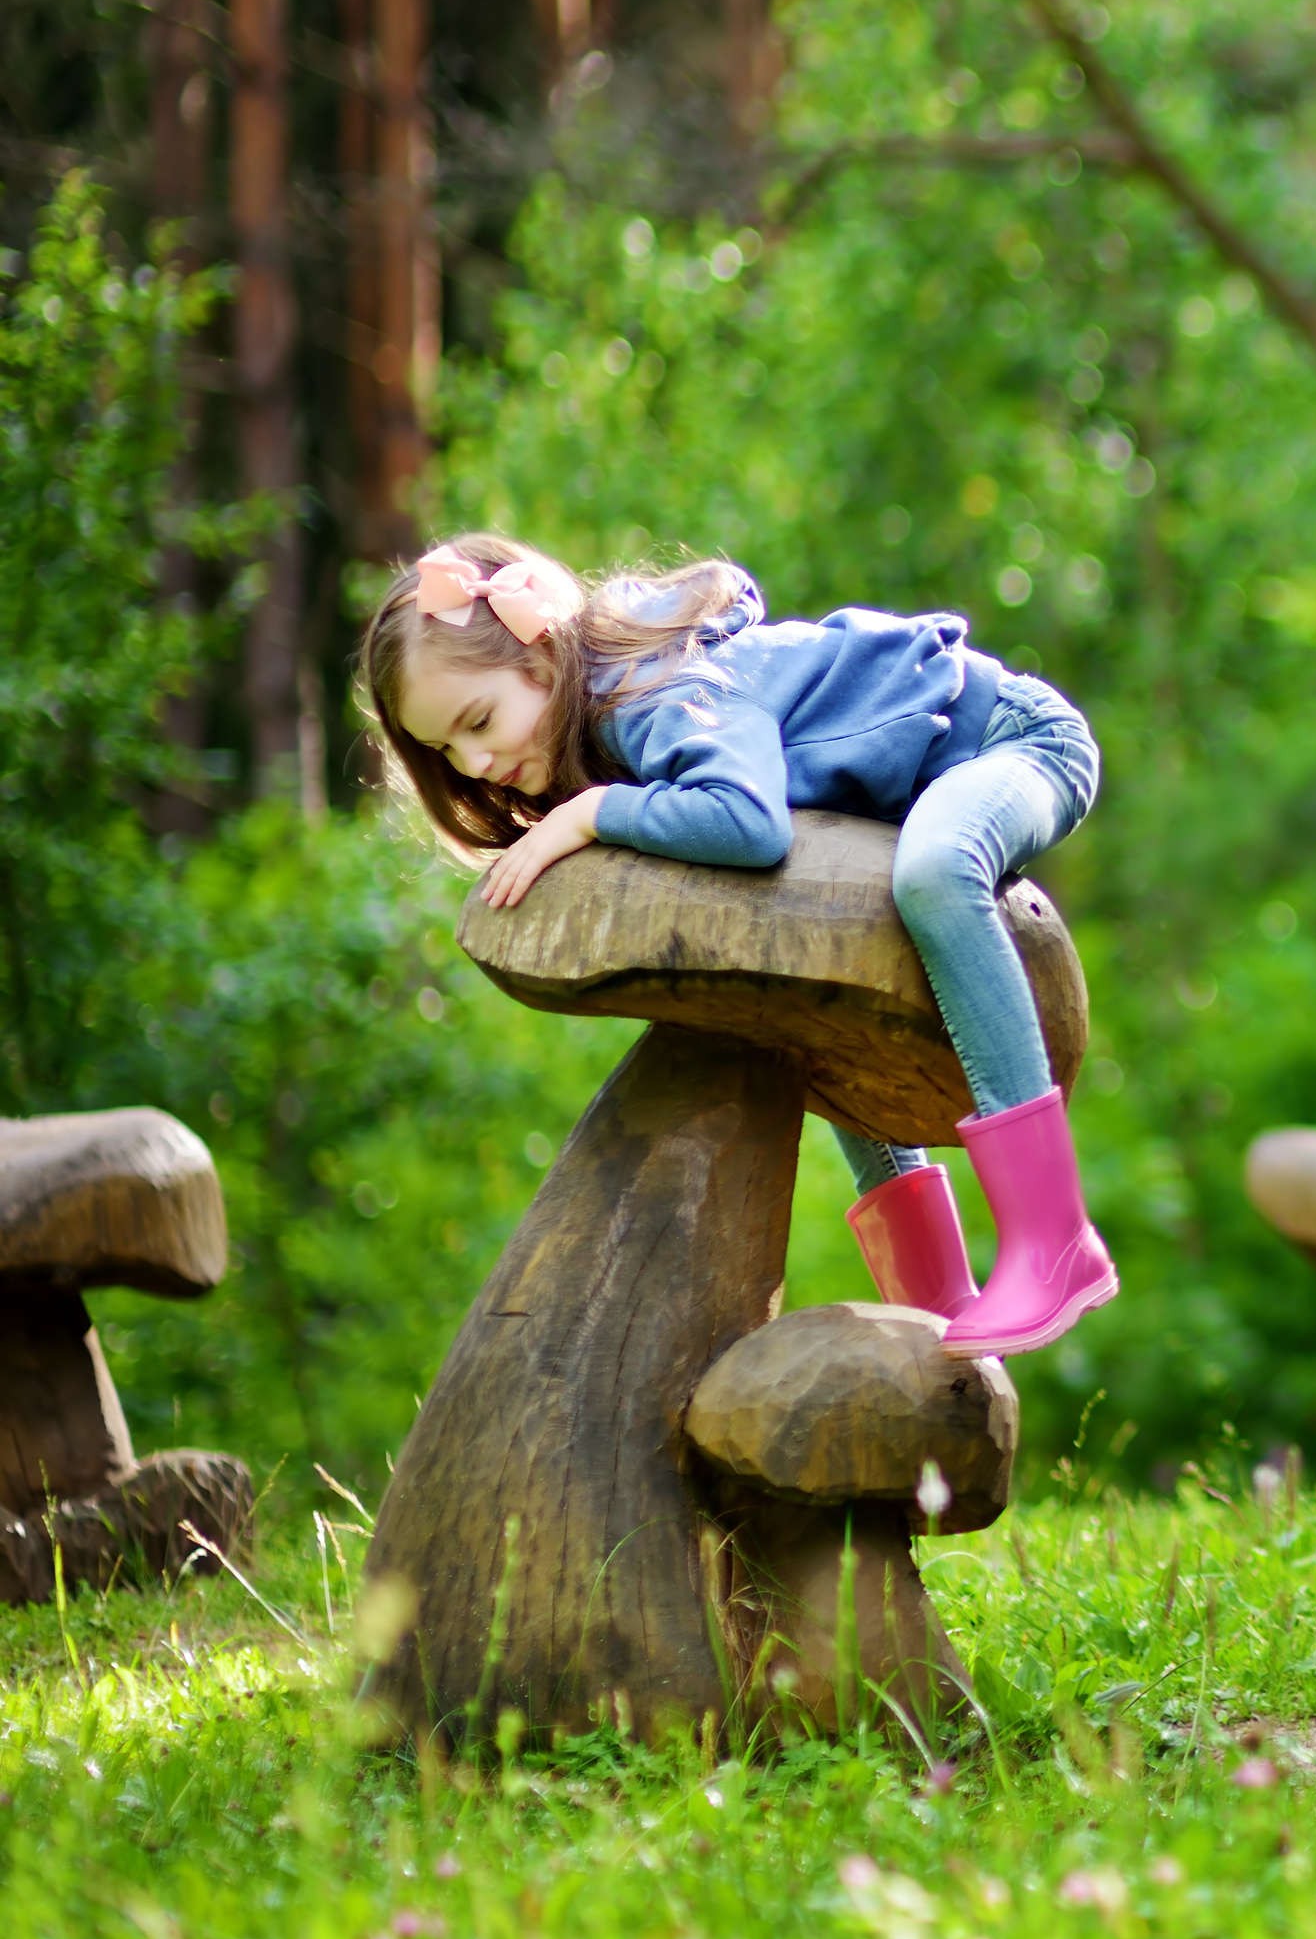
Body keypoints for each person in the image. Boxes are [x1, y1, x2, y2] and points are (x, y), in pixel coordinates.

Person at [362, 534, 1116, 1357]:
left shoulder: (650, 698)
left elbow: (748, 823)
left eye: (479, 721)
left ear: (542, 653)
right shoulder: (608, 726)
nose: (473, 761)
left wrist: (593, 813)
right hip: (913, 793)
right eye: (445, 750)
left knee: (936, 875)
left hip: (1010, 740)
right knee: (811, 995)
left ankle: (1054, 1239)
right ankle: (933, 1292)